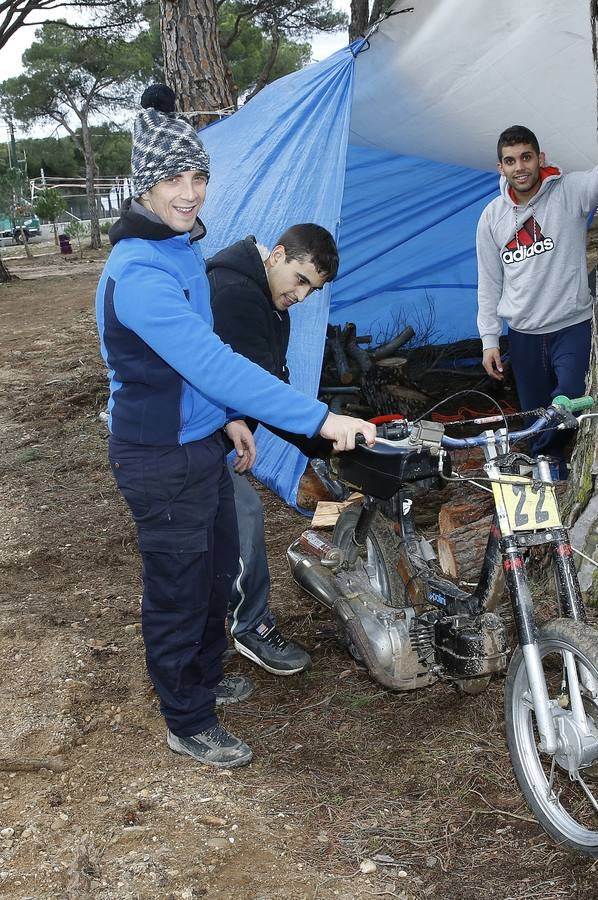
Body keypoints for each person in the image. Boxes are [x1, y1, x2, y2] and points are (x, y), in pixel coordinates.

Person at [95, 84, 376, 770]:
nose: (190, 192)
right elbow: (210, 362)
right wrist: (318, 419)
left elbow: (204, 379)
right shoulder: (138, 273)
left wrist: (226, 426)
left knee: (219, 571)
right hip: (157, 455)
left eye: (198, 176)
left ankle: (205, 672)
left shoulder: (181, 246)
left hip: (196, 441)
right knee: (179, 589)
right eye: (173, 179)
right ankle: (187, 719)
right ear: (144, 184)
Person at [207, 225, 338, 676]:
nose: (303, 295)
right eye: (300, 279)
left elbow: (270, 383)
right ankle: (251, 626)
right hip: (186, 436)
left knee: (218, 528)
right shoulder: (234, 295)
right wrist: (325, 435)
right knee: (242, 513)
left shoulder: (270, 298)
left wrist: (321, 444)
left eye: (312, 289)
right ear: (277, 255)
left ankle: (216, 625)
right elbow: (250, 386)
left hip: (214, 430)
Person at [476, 124, 598, 469]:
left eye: (527, 157)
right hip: (524, 335)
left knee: (572, 398)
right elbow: (488, 283)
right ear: (501, 167)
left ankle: (562, 458)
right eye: (511, 160)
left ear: (540, 158)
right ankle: (550, 474)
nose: (520, 167)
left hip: (572, 326)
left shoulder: (570, 191)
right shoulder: (491, 217)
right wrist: (489, 339)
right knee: (536, 419)